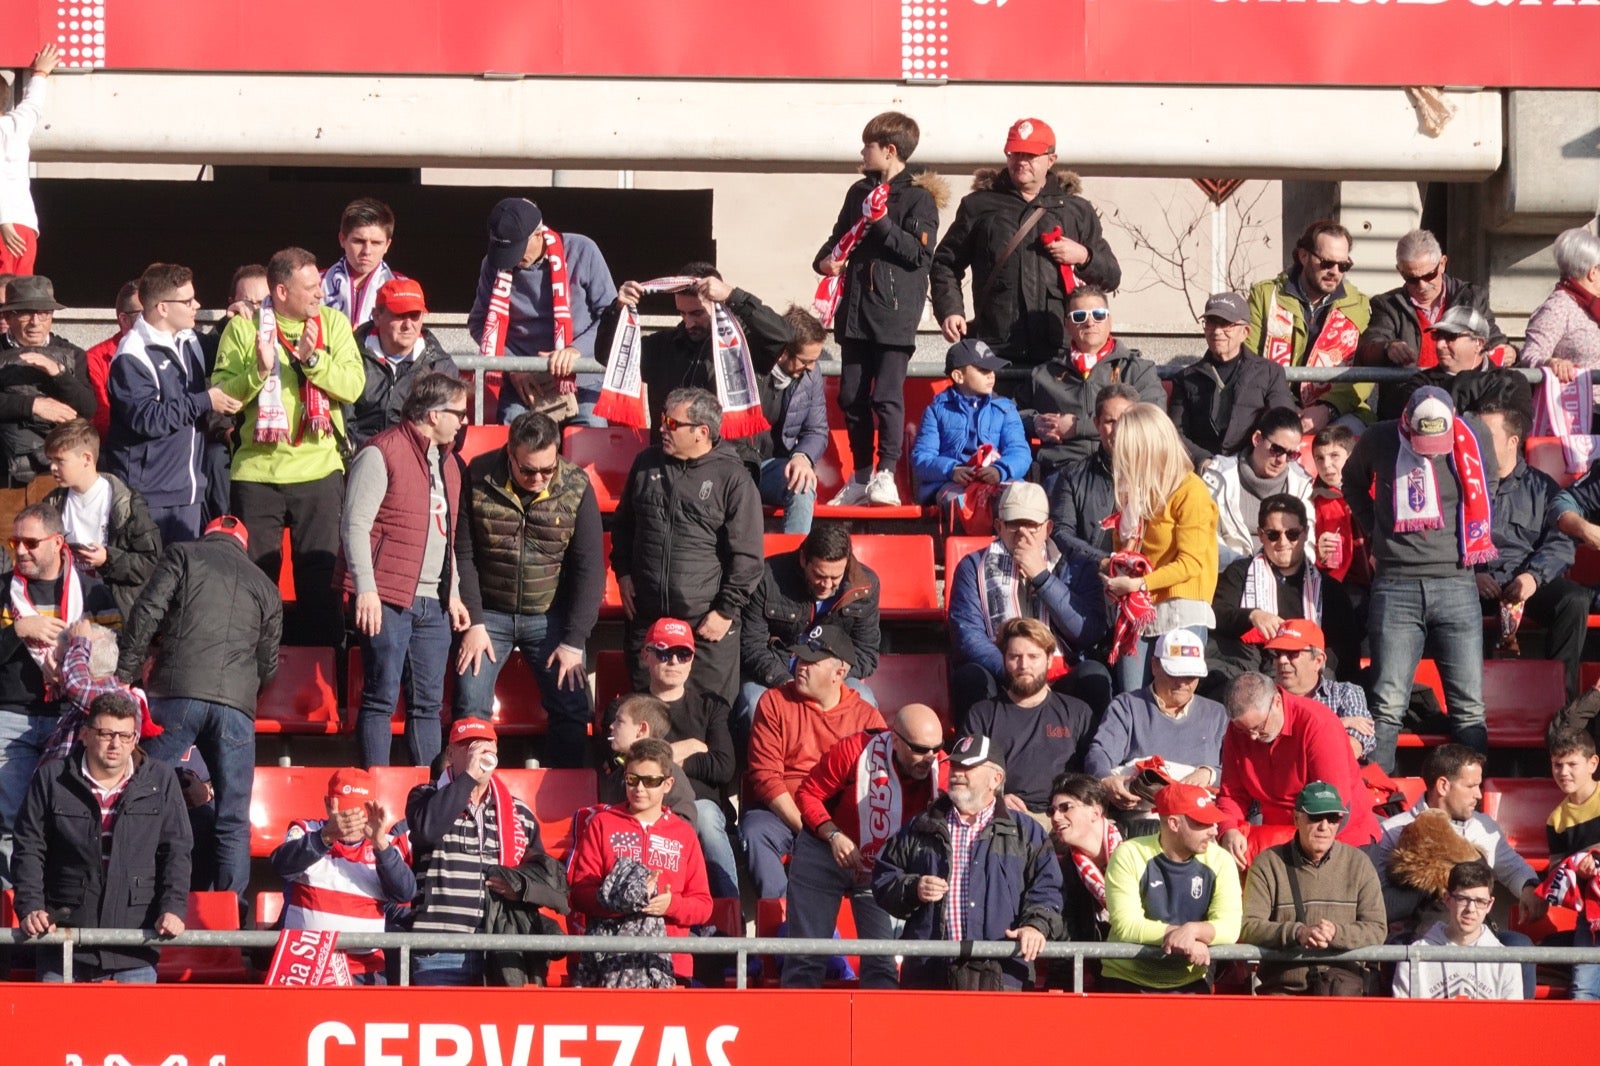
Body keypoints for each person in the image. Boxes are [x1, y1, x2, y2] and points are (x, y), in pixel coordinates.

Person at [115, 515, 282, 897]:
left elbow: (147, 613)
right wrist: (243, 697)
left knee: (142, 795)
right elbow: (268, 665)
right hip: (237, 708)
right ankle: (228, 916)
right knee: (233, 819)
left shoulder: (183, 554)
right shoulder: (267, 587)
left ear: (206, 535)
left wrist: (124, 675)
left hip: (177, 692)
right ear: (243, 545)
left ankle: (135, 897)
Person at [212, 246, 365, 647]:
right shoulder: (244, 329)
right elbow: (222, 395)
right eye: (310, 287)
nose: (320, 294)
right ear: (281, 291)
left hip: (319, 472)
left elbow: (353, 387)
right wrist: (258, 371)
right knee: (255, 585)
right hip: (257, 474)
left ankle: (325, 685)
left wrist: (314, 360)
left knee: (320, 586)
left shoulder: (333, 324)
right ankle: (254, 674)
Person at [1343, 386, 1498, 770]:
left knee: (1468, 707)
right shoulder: (1379, 437)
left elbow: (1489, 485)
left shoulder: (1474, 435)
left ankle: (1472, 806)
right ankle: (1377, 806)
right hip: (1396, 585)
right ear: (1406, 423)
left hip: (1457, 581)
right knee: (1387, 703)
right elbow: (1351, 483)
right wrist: (1376, 529)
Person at [453, 410, 603, 769]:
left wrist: (573, 641)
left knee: (572, 704)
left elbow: (590, 568)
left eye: (548, 470)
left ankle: (566, 796)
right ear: (510, 454)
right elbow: (464, 552)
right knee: (470, 706)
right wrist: (474, 622)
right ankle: (470, 794)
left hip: (549, 615)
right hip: (488, 613)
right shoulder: (478, 474)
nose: (538, 478)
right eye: (528, 470)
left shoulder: (576, 485)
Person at [12, 692, 190, 983]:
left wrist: (173, 907)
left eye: (124, 735)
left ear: (135, 739)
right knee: (58, 1030)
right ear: (84, 734)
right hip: (61, 943)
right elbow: (28, 849)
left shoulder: (162, 780)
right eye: (106, 733)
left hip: (135, 945)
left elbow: (176, 851)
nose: (115, 744)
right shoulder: (50, 779)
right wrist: (31, 906)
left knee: (133, 1031)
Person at [340, 373, 469, 770]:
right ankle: (374, 786)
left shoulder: (449, 463)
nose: (464, 422)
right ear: (433, 414)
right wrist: (366, 588)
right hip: (389, 597)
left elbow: (447, 536)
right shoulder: (381, 452)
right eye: (459, 414)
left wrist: (454, 592)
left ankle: (428, 795)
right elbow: (354, 524)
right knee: (380, 696)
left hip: (434, 602)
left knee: (429, 706)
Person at [817, 112, 945, 507]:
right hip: (854, 312)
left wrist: (885, 223)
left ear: (889, 151)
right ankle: (860, 476)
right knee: (851, 396)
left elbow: (919, 254)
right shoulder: (858, 192)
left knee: (886, 397)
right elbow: (837, 239)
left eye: (868, 145)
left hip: (893, 313)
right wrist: (824, 261)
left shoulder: (918, 197)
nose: (861, 151)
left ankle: (885, 474)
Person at [930, 118, 1121, 381]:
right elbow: (945, 263)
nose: (1020, 161)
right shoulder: (979, 206)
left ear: (1051, 160)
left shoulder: (1075, 210)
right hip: (996, 351)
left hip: (1060, 352)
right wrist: (951, 310)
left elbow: (1111, 275)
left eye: (1030, 155)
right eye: (1015, 153)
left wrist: (1084, 256)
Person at [872, 734, 1064, 990]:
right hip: (930, 974)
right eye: (955, 766)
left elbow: (1048, 889)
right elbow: (884, 880)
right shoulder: (920, 826)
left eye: (968, 767)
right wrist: (913, 888)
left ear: (996, 779)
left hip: (1002, 974)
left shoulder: (1026, 832)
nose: (957, 773)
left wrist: (1035, 925)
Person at [611, 387, 764, 706]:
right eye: (662, 418)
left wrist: (724, 611)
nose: (662, 427)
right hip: (648, 620)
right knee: (648, 718)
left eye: (671, 422)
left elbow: (747, 558)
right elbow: (624, 525)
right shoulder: (645, 463)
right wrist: (623, 572)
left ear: (701, 432)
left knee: (708, 718)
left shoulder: (733, 478)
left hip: (706, 626)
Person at [786, 704, 949, 989]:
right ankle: (797, 1030)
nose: (930, 758)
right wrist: (833, 834)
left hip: (882, 864)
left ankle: (881, 1031)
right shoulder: (855, 750)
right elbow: (808, 794)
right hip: (824, 852)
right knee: (806, 957)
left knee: (882, 961)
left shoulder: (941, 766)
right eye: (920, 749)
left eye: (937, 748)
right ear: (895, 739)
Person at [0, 503, 120, 883]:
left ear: (56, 541)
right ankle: (12, 917)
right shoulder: (4, 591)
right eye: (15, 541)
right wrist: (18, 632)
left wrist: (71, 667)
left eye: (31, 543)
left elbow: (111, 662)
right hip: (10, 717)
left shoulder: (94, 592)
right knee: (9, 820)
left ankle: (53, 909)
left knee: (62, 820)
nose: (20, 551)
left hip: (70, 720)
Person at [406, 718, 568, 987]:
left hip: (500, 950)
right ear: (450, 754)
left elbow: (544, 875)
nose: (479, 753)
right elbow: (427, 829)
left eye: (486, 747)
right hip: (439, 949)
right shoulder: (425, 796)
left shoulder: (519, 812)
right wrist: (468, 778)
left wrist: (521, 888)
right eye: (469, 746)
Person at [1371, 743, 1545, 986]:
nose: (1479, 795)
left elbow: (1513, 867)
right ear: (1443, 785)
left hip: (1476, 932)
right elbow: (1378, 904)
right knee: (1397, 951)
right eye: (1471, 786)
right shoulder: (1393, 831)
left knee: (1520, 946)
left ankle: (1518, 1024)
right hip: (1417, 934)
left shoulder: (1483, 826)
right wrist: (1436, 879)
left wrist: (1529, 889)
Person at [743, 623, 885, 901]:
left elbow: (880, 787)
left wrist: (835, 833)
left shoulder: (866, 718)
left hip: (844, 823)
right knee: (756, 831)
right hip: (786, 817)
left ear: (839, 673)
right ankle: (782, 923)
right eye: (799, 658)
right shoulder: (774, 701)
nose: (800, 666)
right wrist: (814, 831)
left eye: (811, 661)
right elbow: (766, 778)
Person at [948, 481, 1109, 722]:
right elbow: (968, 636)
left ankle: (1089, 757)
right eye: (1014, 524)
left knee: (1094, 676)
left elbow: (1089, 632)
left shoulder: (1078, 566)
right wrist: (1017, 670)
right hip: (1004, 671)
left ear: (1048, 528)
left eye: (1032, 525)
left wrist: (1042, 578)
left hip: (1061, 670)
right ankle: (977, 756)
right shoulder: (972, 567)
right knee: (970, 677)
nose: (1022, 533)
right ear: (999, 526)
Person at [106, 261, 240, 544]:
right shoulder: (132, 354)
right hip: (149, 495)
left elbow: (221, 352)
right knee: (148, 582)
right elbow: (147, 418)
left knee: (181, 580)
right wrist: (206, 400)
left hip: (188, 491)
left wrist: (232, 323)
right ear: (163, 308)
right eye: (188, 300)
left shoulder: (188, 338)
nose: (197, 305)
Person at [569, 737, 712, 988]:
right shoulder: (602, 824)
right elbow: (580, 894)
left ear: (668, 784)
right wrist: (621, 900)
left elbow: (703, 905)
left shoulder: (684, 833)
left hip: (669, 961)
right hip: (608, 960)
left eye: (651, 781)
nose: (640, 788)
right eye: (632, 779)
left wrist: (671, 905)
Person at [1100, 402, 1219, 693]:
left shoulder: (1190, 490)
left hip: (1181, 609)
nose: (1117, 452)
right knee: (1132, 698)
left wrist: (1138, 583)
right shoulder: (1133, 494)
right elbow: (1125, 553)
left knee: (1173, 698)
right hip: (1138, 610)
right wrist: (1112, 567)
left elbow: (1191, 563)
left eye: (1125, 446)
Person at [597, 263, 790, 440]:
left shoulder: (743, 344)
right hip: (670, 458)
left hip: (728, 459)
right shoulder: (663, 345)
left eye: (697, 313)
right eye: (682, 313)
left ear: (718, 305)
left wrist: (734, 296)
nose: (689, 323)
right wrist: (617, 309)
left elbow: (781, 334)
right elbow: (608, 355)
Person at [469, 197, 617, 424]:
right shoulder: (493, 264)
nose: (513, 260)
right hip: (524, 384)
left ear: (538, 234)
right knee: (513, 431)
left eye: (517, 250)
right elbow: (479, 323)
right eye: (505, 251)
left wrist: (575, 351)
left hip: (581, 378)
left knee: (591, 428)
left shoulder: (582, 250)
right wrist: (513, 367)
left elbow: (611, 317)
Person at [1475, 401, 1586, 700]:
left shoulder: (1543, 487)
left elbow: (1561, 541)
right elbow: (1443, 540)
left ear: (1513, 441)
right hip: (1473, 585)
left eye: (1487, 435)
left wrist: (1533, 578)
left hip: (1524, 581)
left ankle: (1562, 704)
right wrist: (1470, 575)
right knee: (1445, 603)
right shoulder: (1461, 485)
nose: (1478, 441)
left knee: (1573, 601)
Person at [616, 625, 736, 897]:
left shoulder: (712, 705)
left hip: (702, 806)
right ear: (646, 656)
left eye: (683, 654)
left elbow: (723, 766)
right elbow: (622, 762)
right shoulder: (625, 708)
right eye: (663, 652)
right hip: (644, 806)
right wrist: (688, 748)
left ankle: (730, 919)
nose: (673, 662)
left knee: (704, 815)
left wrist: (655, 756)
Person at [269, 766, 415, 985]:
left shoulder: (386, 843)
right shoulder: (305, 830)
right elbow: (281, 865)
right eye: (345, 813)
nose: (351, 822)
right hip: (305, 964)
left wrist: (380, 846)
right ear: (328, 804)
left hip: (364, 967)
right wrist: (325, 837)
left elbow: (404, 892)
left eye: (359, 814)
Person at [1216, 672, 1381, 865]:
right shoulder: (1237, 732)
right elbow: (1231, 794)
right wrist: (1228, 830)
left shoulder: (1318, 724)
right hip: (1280, 842)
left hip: (1342, 841)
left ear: (1277, 702)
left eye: (1259, 727)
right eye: (1244, 730)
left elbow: (1333, 807)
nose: (1252, 737)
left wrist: (1275, 843)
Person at [1239, 781, 1386, 996]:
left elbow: (1377, 929)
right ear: (1296, 817)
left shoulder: (1359, 863)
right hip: (1282, 992)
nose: (1324, 826)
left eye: (1333, 817)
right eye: (1315, 817)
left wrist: (1336, 933)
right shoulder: (1268, 863)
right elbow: (1249, 927)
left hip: (1343, 992)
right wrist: (1297, 933)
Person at [1101, 781, 1242, 993]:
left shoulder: (1221, 860)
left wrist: (1193, 931)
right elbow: (1126, 925)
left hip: (1189, 981)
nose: (1214, 831)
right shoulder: (1129, 854)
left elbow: (1230, 927)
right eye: (1202, 823)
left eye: (1214, 822)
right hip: (1126, 979)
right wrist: (1182, 937)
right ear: (1174, 824)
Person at [1083, 630, 1227, 834]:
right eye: (1175, 673)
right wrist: (1106, 780)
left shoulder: (1217, 714)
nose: (1183, 683)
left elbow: (1237, 770)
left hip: (1201, 821)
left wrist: (1209, 773)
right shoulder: (1127, 706)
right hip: (1142, 822)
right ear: (1155, 666)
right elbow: (1100, 753)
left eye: (1191, 676)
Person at [1207, 494, 1355, 691]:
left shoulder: (1329, 589)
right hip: (1251, 673)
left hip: (1305, 679)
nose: (1283, 542)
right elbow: (1216, 615)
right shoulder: (1239, 573)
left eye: (1292, 534)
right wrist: (1252, 615)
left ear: (1305, 533)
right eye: (1273, 534)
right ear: (1261, 535)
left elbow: (1344, 647)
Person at [738, 522, 881, 725]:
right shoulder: (767, 578)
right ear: (803, 559)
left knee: (864, 700)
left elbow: (866, 652)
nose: (827, 584)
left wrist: (827, 677)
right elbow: (750, 645)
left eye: (835, 577)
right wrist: (785, 681)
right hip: (775, 672)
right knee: (754, 704)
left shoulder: (865, 585)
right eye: (819, 576)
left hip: (832, 677)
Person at [1019, 286, 1164, 471]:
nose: (1090, 322)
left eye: (1098, 315)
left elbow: (1154, 420)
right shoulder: (1043, 374)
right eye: (1079, 316)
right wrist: (1035, 423)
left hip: (1123, 469)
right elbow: (1009, 416)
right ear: (1067, 325)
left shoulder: (1137, 369)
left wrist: (1077, 428)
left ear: (1109, 321)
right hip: (1062, 470)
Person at [1245, 220, 1372, 431]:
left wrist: (1327, 408)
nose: (1335, 272)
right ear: (1303, 256)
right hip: (1270, 405)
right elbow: (1249, 360)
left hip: (1338, 411)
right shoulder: (1266, 296)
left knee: (1348, 439)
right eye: (1326, 263)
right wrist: (1284, 404)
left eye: (1343, 266)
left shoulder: (1359, 305)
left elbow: (1365, 375)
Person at [964, 618, 1095, 820]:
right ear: (1004, 659)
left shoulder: (1077, 712)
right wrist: (996, 799)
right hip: (1007, 816)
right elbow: (968, 776)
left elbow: (1093, 773)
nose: (1023, 665)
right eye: (1015, 656)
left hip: (1068, 818)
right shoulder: (982, 714)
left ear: (1049, 659)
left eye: (1033, 657)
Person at [43, 420, 161, 619]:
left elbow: (149, 562)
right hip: (66, 606)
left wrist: (108, 559)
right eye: (50, 460)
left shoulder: (126, 504)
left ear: (87, 459)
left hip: (113, 608)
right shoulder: (53, 503)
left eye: (60, 460)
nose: (52, 467)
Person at [1357, 228, 1512, 375]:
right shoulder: (1388, 305)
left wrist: (1510, 353)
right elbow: (1368, 348)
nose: (1422, 286)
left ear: (1443, 264)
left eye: (1429, 275)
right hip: (1409, 395)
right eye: (1412, 279)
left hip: (1464, 393)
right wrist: (1387, 348)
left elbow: (1493, 340)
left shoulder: (1471, 298)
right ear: (1400, 271)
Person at [1169, 291, 1295, 465]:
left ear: (1245, 332)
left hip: (1253, 469)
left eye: (1226, 324)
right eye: (1211, 323)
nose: (1217, 331)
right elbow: (1175, 433)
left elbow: (1283, 423)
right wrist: (1204, 461)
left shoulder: (1270, 373)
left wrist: (1250, 461)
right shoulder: (1186, 379)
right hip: (1202, 471)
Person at [910, 338, 1031, 513]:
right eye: (983, 370)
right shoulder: (936, 411)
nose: (991, 375)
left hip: (998, 480)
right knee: (963, 505)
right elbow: (922, 458)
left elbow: (1020, 452)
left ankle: (1004, 540)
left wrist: (1000, 470)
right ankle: (963, 541)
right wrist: (952, 470)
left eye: (992, 369)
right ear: (958, 376)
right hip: (952, 484)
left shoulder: (1005, 409)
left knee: (1019, 501)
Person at [0, 275, 97, 487]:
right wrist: (33, 405)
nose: (36, 322)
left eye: (43, 313)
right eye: (26, 313)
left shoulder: (72, 354)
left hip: (58, 473)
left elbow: (88, 408)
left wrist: (58, 373)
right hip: (5, 471)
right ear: (8, 316)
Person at [740, 306, 828, 528]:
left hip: (772, 465)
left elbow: (816, 430)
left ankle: (795, 557)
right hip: (734, 465)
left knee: (802, 483)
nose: (811, 368)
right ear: (782, 352)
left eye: (814, 360)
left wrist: (802, 457)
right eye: (805, 361)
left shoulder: (810, 375)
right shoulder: (747, 364)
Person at [346, 277, 460, 448]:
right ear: (377, 316)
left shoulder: (440, 366)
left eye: (414, 315)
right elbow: (343, 420)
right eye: (399, 315)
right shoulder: (349, 354)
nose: (408, 325)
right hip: (357, 456)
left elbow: (448, 431)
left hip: (414, 458)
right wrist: (372, 453)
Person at [1201, 406, 1317, 568]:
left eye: (1291, 454)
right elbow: (1206, 537)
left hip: (1284, 574)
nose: (1282, 460)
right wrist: (1247, 568)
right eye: (1276, 449)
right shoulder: (1218, 476)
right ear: (1257, 439)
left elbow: (1307, 541)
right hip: (1230, 573)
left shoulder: (1300, 483)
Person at [1392, 859, 1522, 1000]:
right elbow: (1404, 1017)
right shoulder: (1414, 957)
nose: (1470, 909)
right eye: (1462, 899)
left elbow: (1511, 1019)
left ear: (1489, 904)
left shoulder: (1506, 962)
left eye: (1480, 901)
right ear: (1447, 899)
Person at [1375, 305, 1531, 422]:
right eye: (1438, 336)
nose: (1439, 344)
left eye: (1451, 337)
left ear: (1479, 343)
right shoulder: (1420, 383)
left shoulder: (1513, 381)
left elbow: (1515, 428)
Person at [1047, 382, 1136, 564]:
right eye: (1110, 421)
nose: (1118, 429)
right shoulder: (1072, 476)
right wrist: (1104, 562)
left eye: (1125, 421)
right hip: (1089, 576)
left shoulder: (1159, 476)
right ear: (1096, 424)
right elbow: (1061, 532)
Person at [1264, 621, 1376, 765]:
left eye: (1292, 653)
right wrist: (1337, 724)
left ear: (1318, 660)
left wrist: (1295, 739)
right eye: (1277, 654)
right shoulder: (1265, 697)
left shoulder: (1346, 693)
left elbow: (1351, 749)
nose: (1282, 660)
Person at [1543, 728, 1600, 1000]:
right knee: (1583, 990)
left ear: (1593, 764)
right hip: (1590, 917)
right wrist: (1576, 868)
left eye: (1572, 764)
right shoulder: (1556, 820)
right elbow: (1557, 875)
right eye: (1557, 764)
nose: (1563, 772)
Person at [598, 694, 700, 833]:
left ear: (641, 730)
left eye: (619, 721)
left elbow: (685, 826)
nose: (611, 726)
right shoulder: (617, 777)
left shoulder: (669, 772)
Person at [0, 45, 59, 276]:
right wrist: (40, 74)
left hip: (5, 226)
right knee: (20, 298)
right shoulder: (16, 125)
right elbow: (32, 105)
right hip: (25, 226)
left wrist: (3, 219)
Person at [1048, 773, 1123, 949]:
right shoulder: (1062, 870)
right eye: (1051, 811)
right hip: (1105, 962)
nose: (1056, 818)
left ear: (1095, 812)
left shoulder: (1137, 839)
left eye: (1066, 807)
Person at [1519, 227, 1600, 385]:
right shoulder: (1558, 307)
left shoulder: (1595, 305)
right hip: (1578, 405)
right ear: (1593, 272)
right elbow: (1531, 354)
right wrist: (1552, 363)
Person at [321, 197, 402, 329]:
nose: (367, 251)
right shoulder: (315, 283)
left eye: (376, 243)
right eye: (359, 241)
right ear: (342, 239)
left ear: (387, 245)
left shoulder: (403, 287)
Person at [1308, 424, 1371, 592]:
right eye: (1319, 458)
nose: (1326, 465)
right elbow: (1311, 550)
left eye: (1334, 456)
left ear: (1351, 456)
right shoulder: (1314, 499)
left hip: (1383, 574)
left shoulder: (1373, 487)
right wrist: (1319, 554)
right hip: (1344, 580)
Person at [83, 281, 139, 438]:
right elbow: (102, 418)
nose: (154, 320)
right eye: (144, 314)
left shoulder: (170, 351)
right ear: (124, 319)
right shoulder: (96, 358)